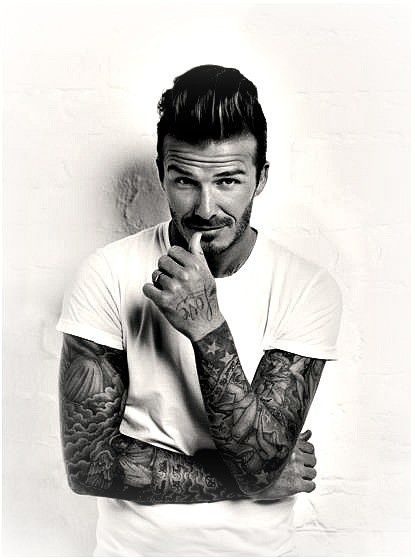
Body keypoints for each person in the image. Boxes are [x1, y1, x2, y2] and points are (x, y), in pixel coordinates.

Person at [57, 64, 342, 556]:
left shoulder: (306, 287)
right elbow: (89, 467)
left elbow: (259, 462)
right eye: (185, 181)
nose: (206, 208)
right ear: (161, 174)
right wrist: (247, 484)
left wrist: (207, 327)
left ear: (261, 178)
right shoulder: (106, 273)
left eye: (228, 181)